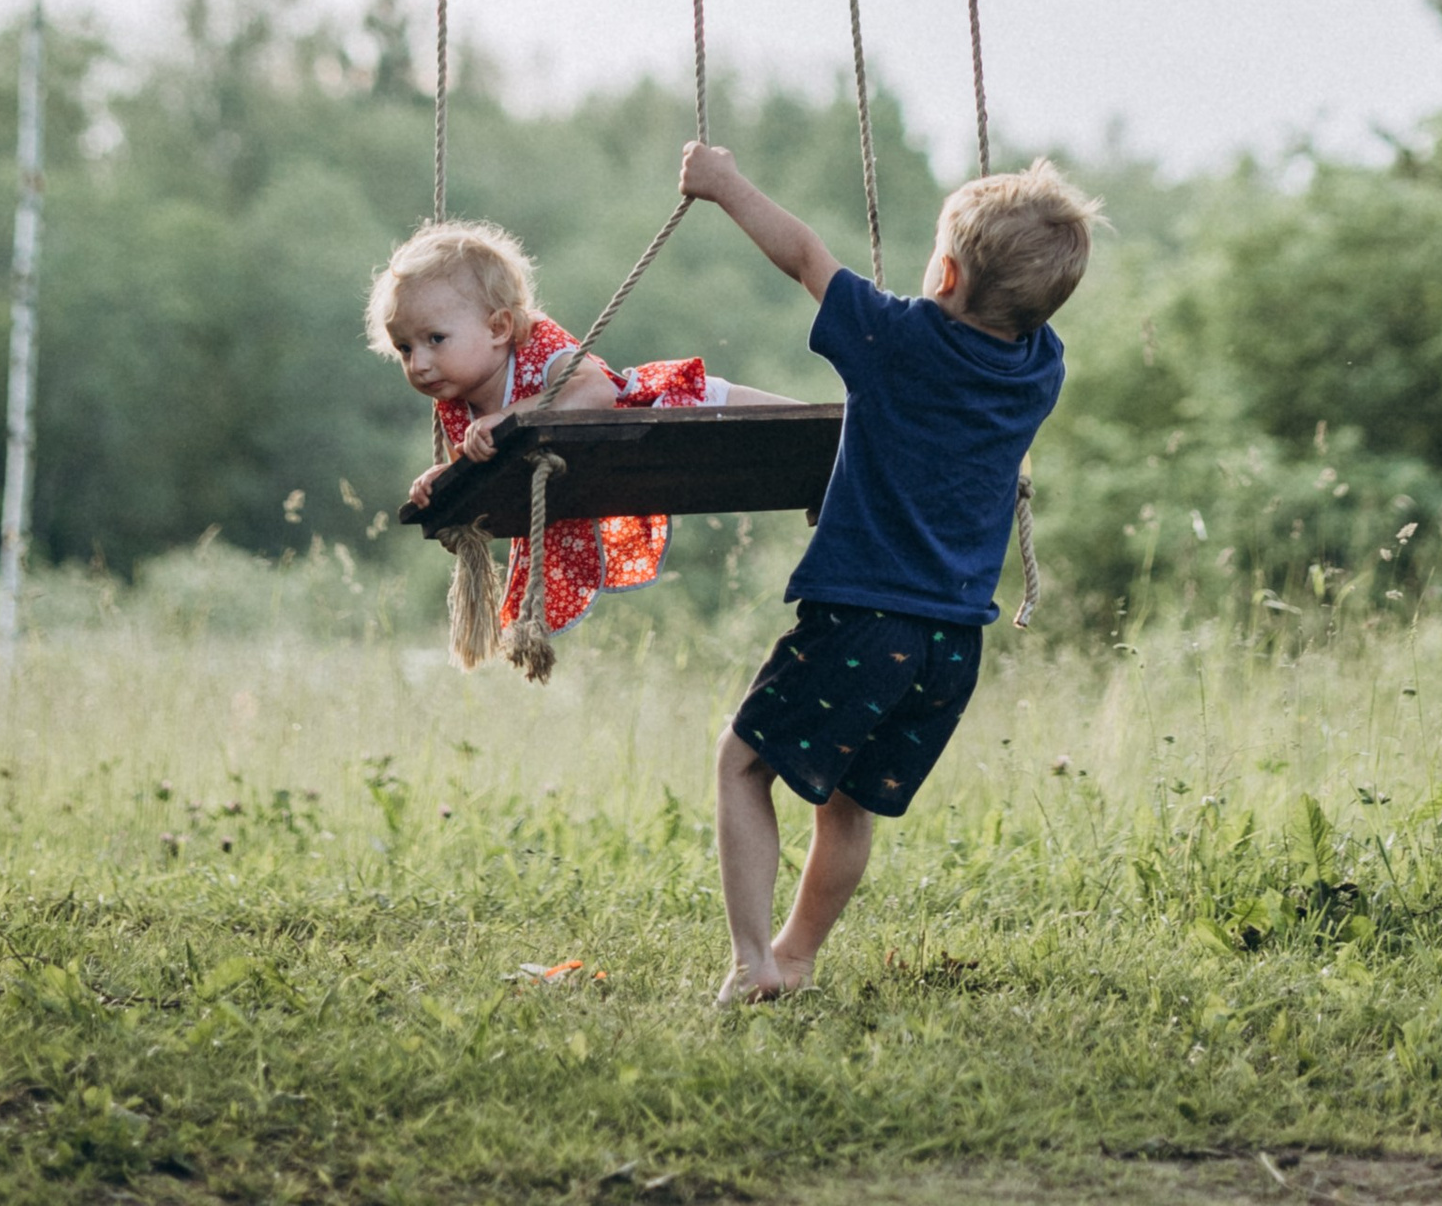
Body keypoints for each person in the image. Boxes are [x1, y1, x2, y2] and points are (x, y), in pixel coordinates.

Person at [678, 139, 1099, 1002]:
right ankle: (794, 958)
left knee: (740, 763)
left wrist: (724, 184)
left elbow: (802, 254)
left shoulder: (895, 339)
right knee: (849, 805)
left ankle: (752, 959)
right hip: (953, 646)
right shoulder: (1040, 368)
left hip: (866, 620)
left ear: (942, 274)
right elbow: (1017, 303)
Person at [368, 213, 786, 648]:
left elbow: (596, 390)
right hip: (615, 468)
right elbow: (479, 464)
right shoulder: (454, 401)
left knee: (808, 431)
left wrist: (510, 419)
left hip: (665, 411)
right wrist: (444, 479)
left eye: (435, 339)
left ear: (498, 328)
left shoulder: (535, 342)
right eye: (404, 348)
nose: (418, 363)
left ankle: (852, 426)